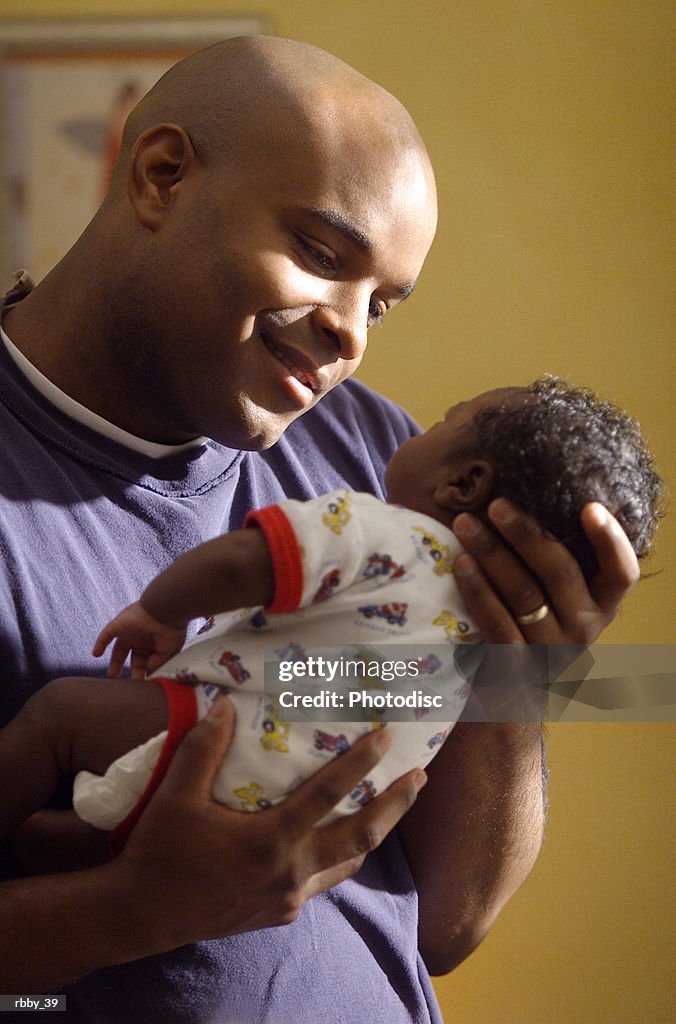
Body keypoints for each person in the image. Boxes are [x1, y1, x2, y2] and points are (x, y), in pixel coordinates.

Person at [0, 34, 641, 1024]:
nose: (351, 334)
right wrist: (125, 911)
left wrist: (515, 668)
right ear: (162, 175)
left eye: (380, 303)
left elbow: (447, 921)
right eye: (320, 253)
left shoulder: (379, 455)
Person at [0, 377, 661, 859]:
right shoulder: (472, 664)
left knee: (60, 718)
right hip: (292, 817)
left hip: (216, 738)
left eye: (441, 421)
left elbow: (243, 563)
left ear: (463, 485)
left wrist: (160, 611)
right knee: (94, 837)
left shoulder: (385, 534)